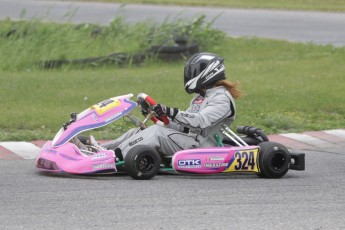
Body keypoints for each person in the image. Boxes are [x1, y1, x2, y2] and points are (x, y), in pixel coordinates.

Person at [101, 52, 244, 161]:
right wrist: (158, 116)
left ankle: (115, 157)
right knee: (138, 131)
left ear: (208, 73)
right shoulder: (200, 98)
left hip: (201, 148)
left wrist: (170, 112)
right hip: (188, 140)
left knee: (156, 133)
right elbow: (183, 127)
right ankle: (100, 151)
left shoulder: (222, 99)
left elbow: (200, 122)